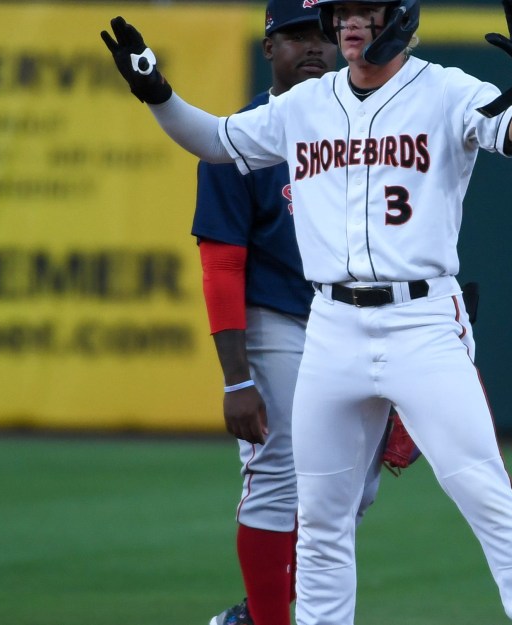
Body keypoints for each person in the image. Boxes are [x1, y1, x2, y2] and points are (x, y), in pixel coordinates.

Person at [101, 0, 512, 623]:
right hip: (331, 326)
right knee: (321, 520)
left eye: (364, 11)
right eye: (342, 12)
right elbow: (213, 141)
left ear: (397, 17)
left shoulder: (446, 91)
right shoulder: (304, 105)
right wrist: (156, 91)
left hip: (420, 321)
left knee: (485, 496)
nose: (348, 23)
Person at [186, 2, 398, 625]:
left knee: (349, 491)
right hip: (277, 316)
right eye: (294, 35)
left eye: (322, 35)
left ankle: (258, 613)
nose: (312, 48)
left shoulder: (366, 117)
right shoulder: (240, 135)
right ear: (267, 48)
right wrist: (237, 379)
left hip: (357, 320)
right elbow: (222, 264)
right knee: (278, 473)